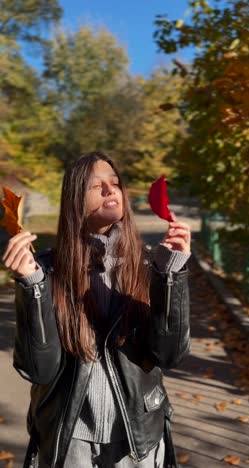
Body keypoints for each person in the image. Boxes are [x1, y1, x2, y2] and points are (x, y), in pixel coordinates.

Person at [2, 152, 191, 468]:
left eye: (115, 183)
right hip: (71, 439)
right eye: (96, 185)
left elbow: (170, 355)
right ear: (76, 199)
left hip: (138, 441)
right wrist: (32, 285)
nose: (110, 190)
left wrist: (172, 274)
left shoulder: (150, 266)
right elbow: (39, 370)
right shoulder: (46, 270)